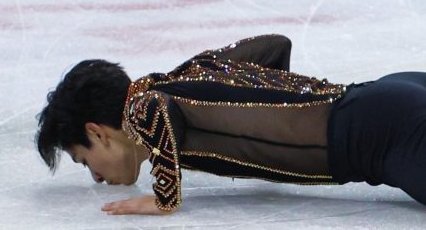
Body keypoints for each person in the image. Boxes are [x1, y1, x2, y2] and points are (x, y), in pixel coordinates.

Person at [35, 34, 426, 216]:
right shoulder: (188, 75)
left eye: (85, 162)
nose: (98, 178)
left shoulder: (144, 104)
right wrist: (275, 113)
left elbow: (152, 110)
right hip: (387, 92)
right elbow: (276, 45)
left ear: (97, 132)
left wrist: (164, 196)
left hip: (382, 135)